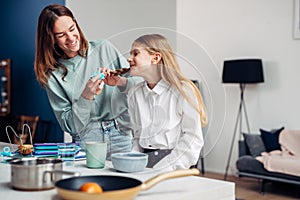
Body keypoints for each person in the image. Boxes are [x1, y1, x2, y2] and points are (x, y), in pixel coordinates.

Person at [34, 4, 139, 159]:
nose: (70, 38)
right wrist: (86, 95)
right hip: (86, 139)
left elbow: (139, 86)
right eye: (61, 35)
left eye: (71, 28)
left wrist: (120, 81)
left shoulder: (104, 48)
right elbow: (70, 126)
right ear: (51, 39)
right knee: (88, 183)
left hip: (121, 133)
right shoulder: (52, 75)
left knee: (125, 181)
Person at [126, 34, 208, 171]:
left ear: (156, 58)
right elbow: (137, 137)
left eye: (136, 53)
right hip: (143, 166)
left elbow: (193, 139)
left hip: (172, 166)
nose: (129, 59)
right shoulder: (135, 94)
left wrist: (164, 168)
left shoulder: (183, 90)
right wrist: (133, 163)